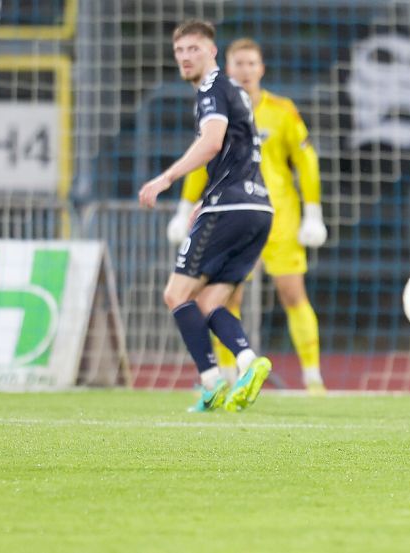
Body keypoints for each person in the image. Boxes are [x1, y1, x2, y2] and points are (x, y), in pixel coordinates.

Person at [168, 38, 329, 395]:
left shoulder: (282, 110)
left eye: (251, 63)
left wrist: (313, 212)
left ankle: (313, 377)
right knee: (226, 297)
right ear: (227, 67)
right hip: (233, 214)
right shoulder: (219, 109)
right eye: (238, 63)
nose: (245, 70)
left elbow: (306, 161)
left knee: (292, 293)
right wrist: (184, 208)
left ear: (262, 68)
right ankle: (229, 374)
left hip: (280, 216)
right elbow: (203, 161)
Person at [139, 20, 274, 413]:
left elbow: (212, 142)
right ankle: (248, 362)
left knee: (175, 294)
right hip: (258, 209)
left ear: (212, 51)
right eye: (179, 51)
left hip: (229, 207)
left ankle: (211, 381)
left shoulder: (213, 88)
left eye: (193, 49)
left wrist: (166, 178)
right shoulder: (236, 91)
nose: (184, 57)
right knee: (211, 301)